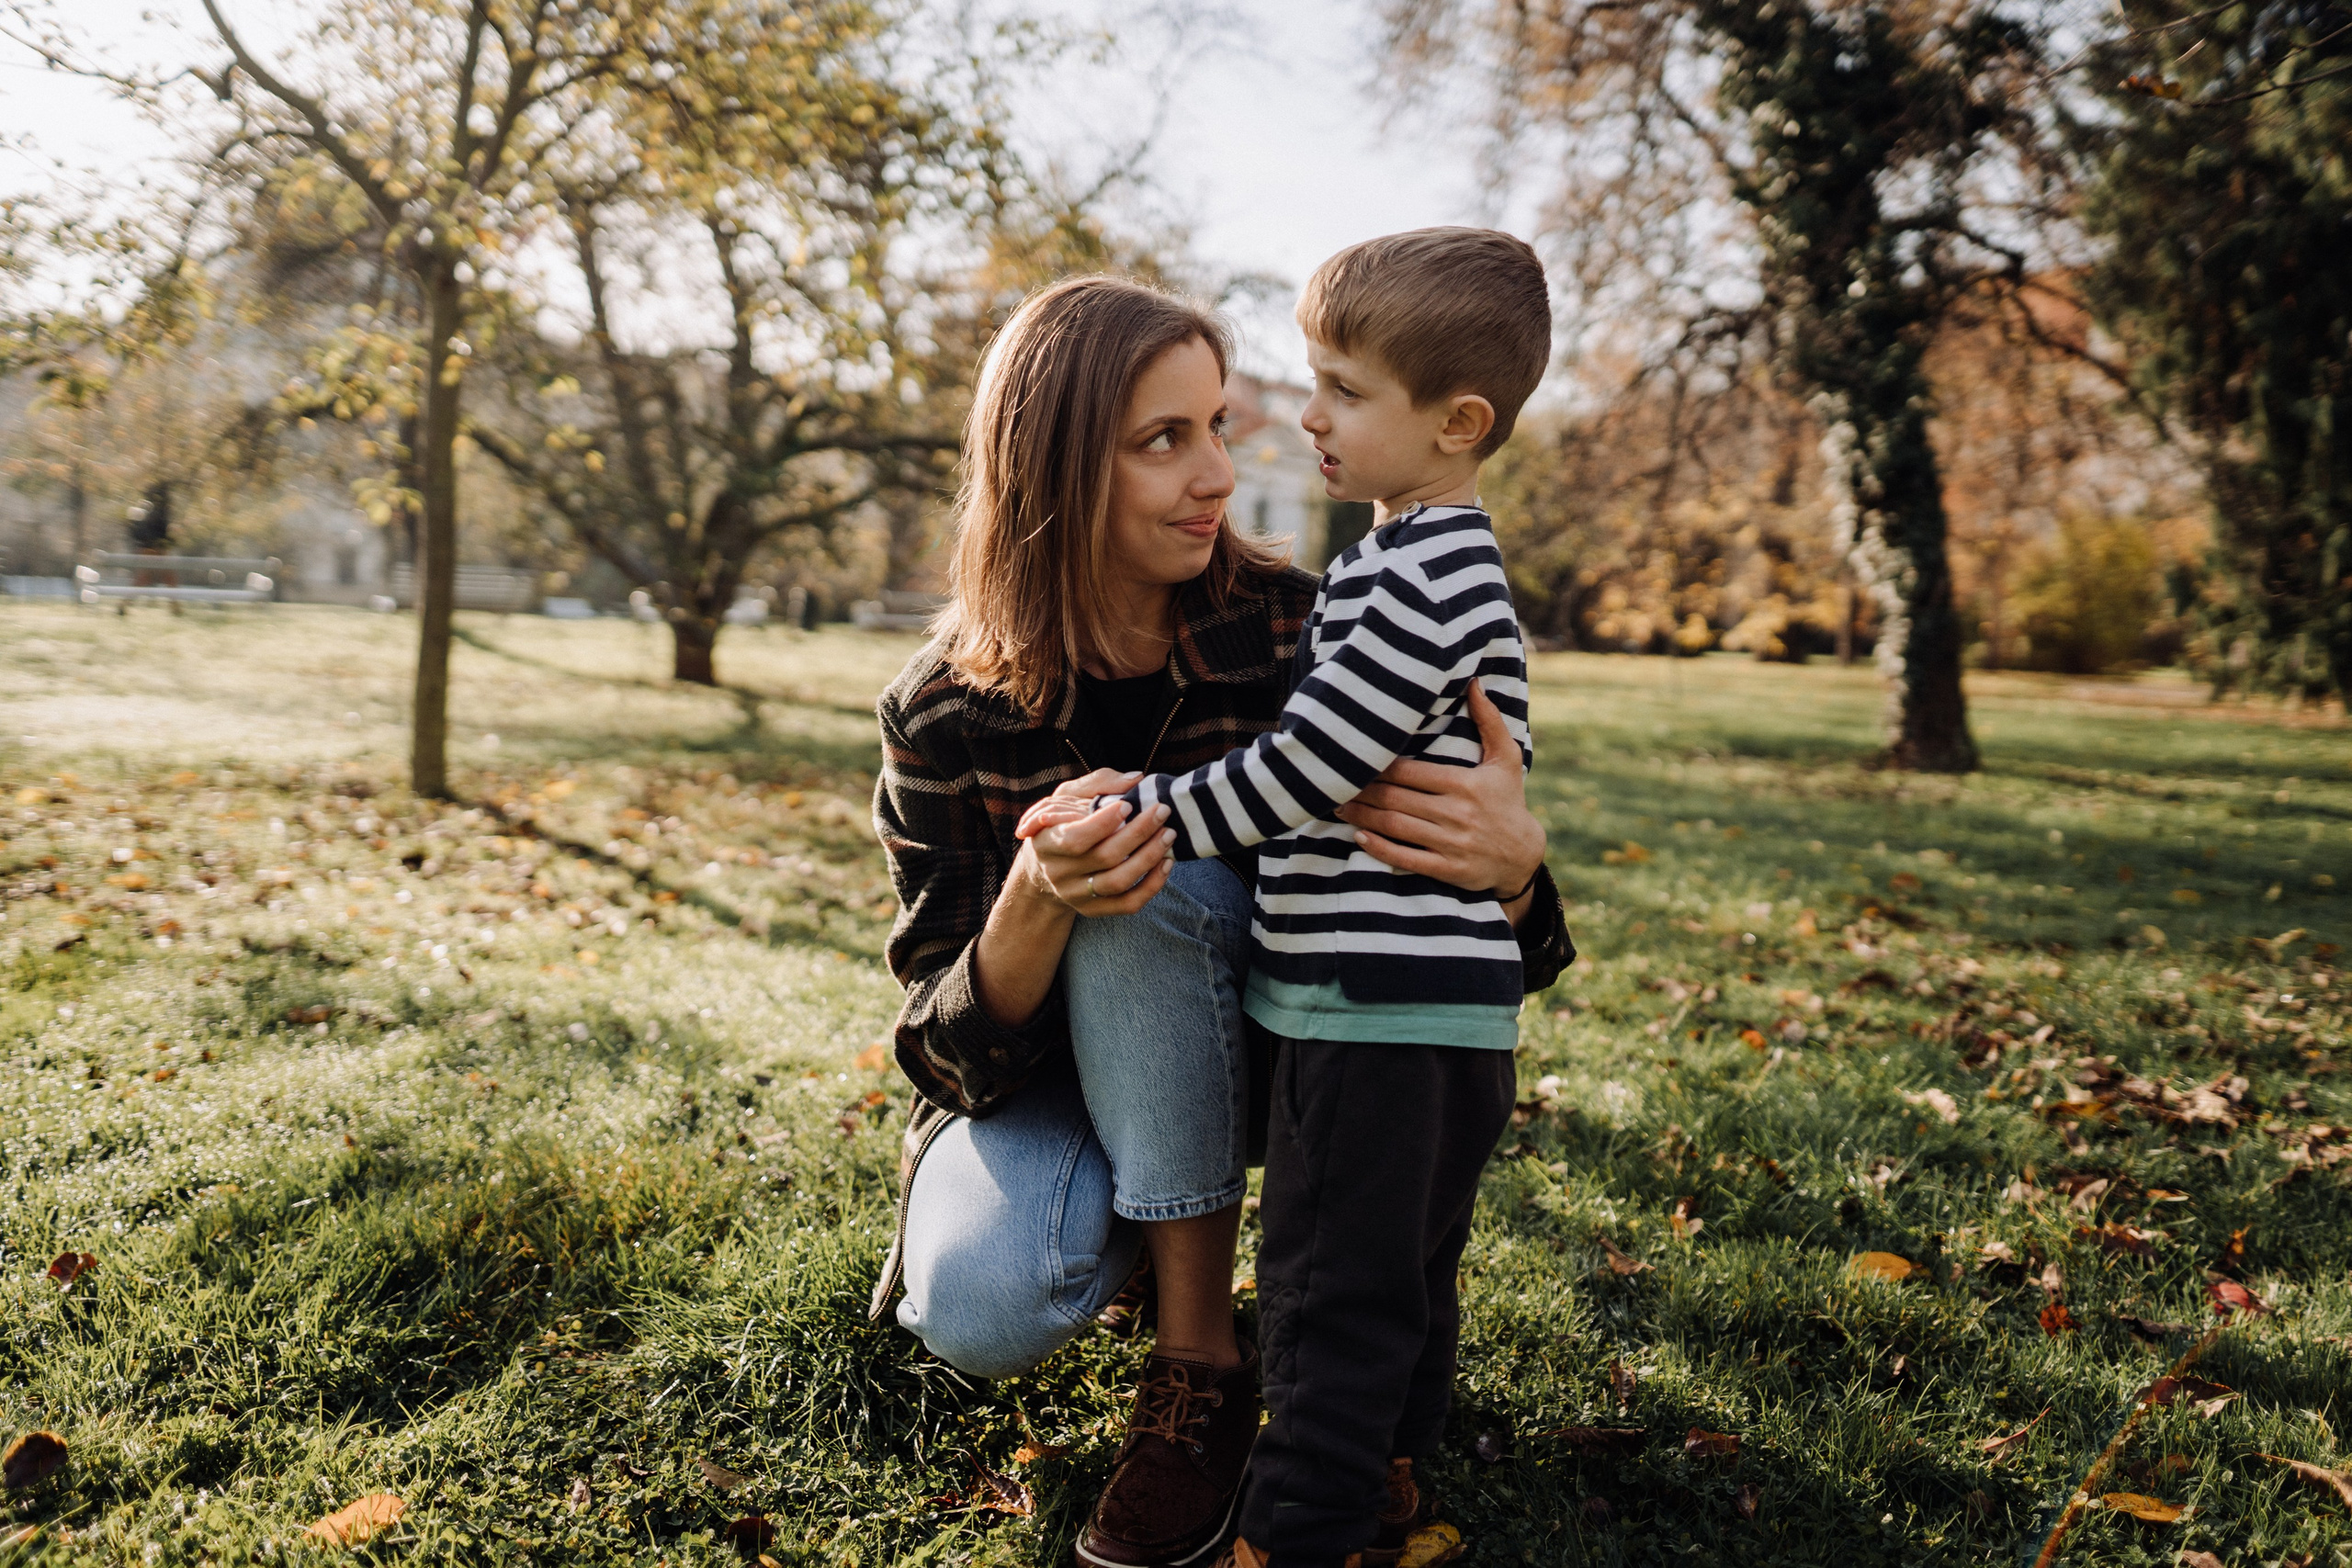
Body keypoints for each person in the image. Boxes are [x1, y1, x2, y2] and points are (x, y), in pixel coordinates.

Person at [869, 273, 1572, 1568]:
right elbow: (940, 1052)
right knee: (977, 1300)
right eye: (1164, 441)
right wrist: (1037, 899)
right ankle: (1141, 1229)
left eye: (1218, 427)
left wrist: (1519, 865)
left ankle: (1198, 1372)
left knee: (1152, 866)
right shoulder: (944, 708)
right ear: (1056, 469)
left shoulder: (1304, 630)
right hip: (1058, 1087)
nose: (1219, 473)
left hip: (1281, 1052)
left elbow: (1499, 956)